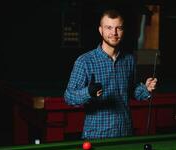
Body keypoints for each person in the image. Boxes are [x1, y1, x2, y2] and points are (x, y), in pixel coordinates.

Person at [64, 9, 157, 139]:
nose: (114, 33)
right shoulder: (85, 61)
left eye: (118, 28)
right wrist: (88, 92)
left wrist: (145, 89)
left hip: (125, 133)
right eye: (109, 28)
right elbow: (69, 97)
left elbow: (131, 91)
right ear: (101, 30)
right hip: (97, 136)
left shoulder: (129, 59)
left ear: (123, 31)